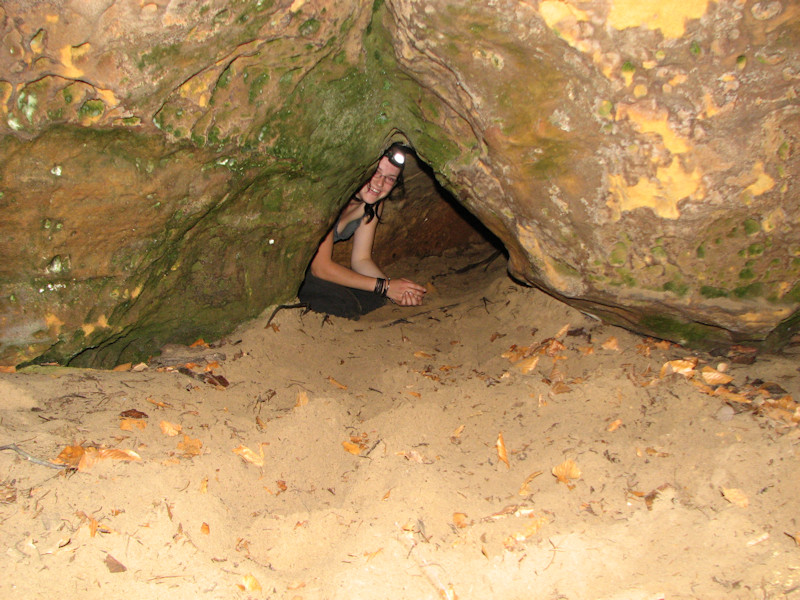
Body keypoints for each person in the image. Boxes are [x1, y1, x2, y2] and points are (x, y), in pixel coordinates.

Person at [297, 143, 427, 318]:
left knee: (374, 298)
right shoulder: (328, 198)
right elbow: (321, 268)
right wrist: (386, 287)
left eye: (389, 178)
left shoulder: (373, 205)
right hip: (295, 270)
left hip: (315, 273)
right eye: (376, 173)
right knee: (344, 304)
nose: (379, 183)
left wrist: (393, 289)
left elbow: (361, 259)